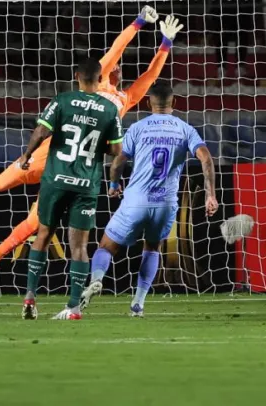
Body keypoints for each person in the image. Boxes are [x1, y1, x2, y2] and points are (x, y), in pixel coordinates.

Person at [0, 8, 183, 285]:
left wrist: (165, 44)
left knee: (36, 223)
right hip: (50, 154)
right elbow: (117, 47)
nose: (115, 67)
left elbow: (150, 77)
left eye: (118, 67)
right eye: (111, 66)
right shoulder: (97, 82)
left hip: (76, 166)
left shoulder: (124, 99)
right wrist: (138, 23)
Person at [80, 83, 218, 317]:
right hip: (165, 204)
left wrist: (114, 185)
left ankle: (96, 279)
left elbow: (117, 162)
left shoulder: (137, 128)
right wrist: (210, 194)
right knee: (152, 248)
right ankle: (138, 304)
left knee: (106, 246)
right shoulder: (185, 129)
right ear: (174, 103)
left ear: (148, 103)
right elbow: (205, 159)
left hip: (135, 200)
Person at [18, 58, 125, 320]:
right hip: (86, 185)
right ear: (101, 79)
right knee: (79, 247)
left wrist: (26, 156)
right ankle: (74, 306)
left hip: (56, 180)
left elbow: (41, 132)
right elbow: (117, 151)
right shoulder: (108, 109)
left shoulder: (62, 100)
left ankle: (30, 297)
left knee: (42, 236)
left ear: (76, 75)